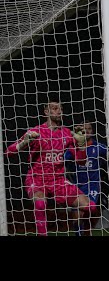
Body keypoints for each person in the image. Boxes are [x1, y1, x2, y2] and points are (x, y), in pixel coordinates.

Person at [4, 97, 96, 236]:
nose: (59, 111)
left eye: (61, 109)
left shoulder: (67, 133)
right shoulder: (35, 132)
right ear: (46, 112)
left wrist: (82, 146)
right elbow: (7, 152)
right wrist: (23, 144)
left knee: (91, 207)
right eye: (55, 108)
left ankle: (81, 232)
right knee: (40, 203)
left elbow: (81, 162)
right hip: (37, 178)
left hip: (58, 180)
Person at [64, 121, 107, 236]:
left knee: (87, 211)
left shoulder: (99, 147)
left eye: (89, 128)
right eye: (84, 129)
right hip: (77, 185)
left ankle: (87, 231)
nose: (87, 131)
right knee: (77, 219)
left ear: (92, 131)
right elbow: (62, 161)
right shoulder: (73, 148)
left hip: (93, 184)